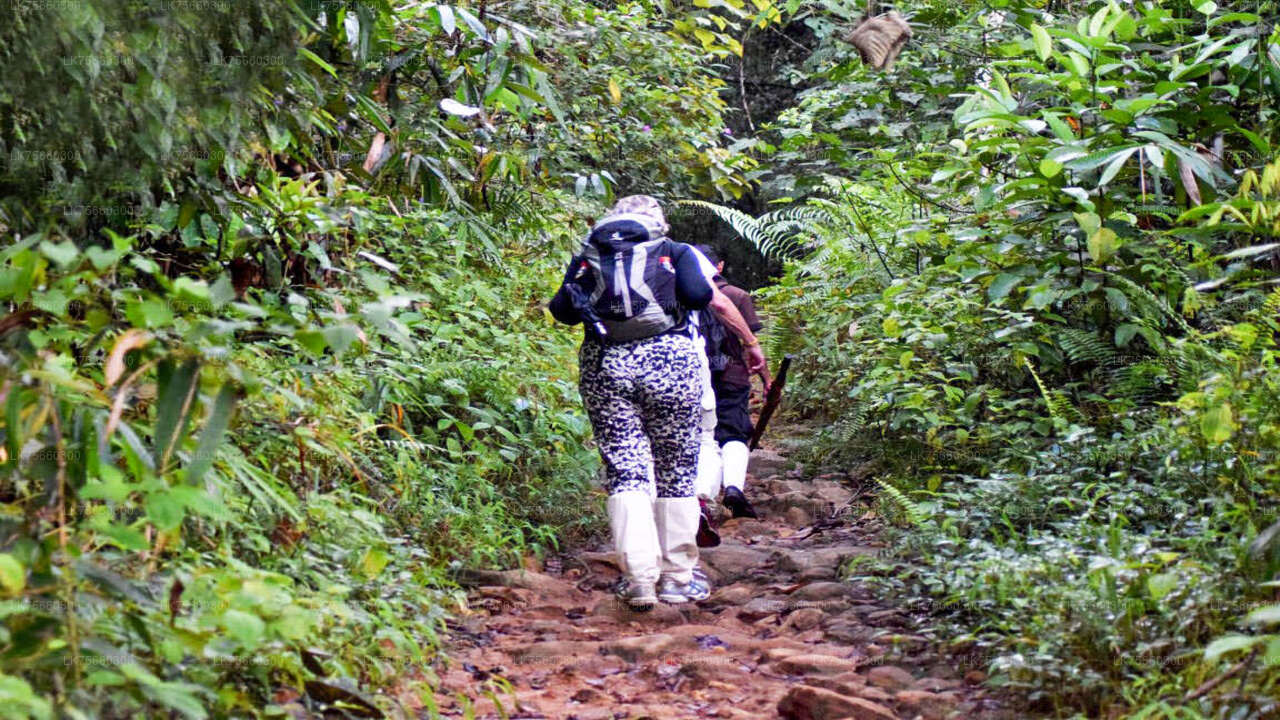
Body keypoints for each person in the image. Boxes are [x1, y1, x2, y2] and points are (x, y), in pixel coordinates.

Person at [548, 196, 765, 610]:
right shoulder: (675, 250)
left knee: (626, 471)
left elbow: (562, 310)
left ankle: (639, 578)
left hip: (605, 366)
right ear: (659, 223)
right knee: (677, 469)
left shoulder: (592, 254)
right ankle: (678, 578)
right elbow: (699, 296)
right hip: (671, 364)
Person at [693, 244, 766, 521]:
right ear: (719, 266)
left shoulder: (681, 293)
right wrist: (767, 379)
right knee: (734, 432)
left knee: (703, 436)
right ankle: (734, 487)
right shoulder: (737, 295)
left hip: (694, 375)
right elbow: (750, 343)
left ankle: (702, 500)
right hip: (733, 374)